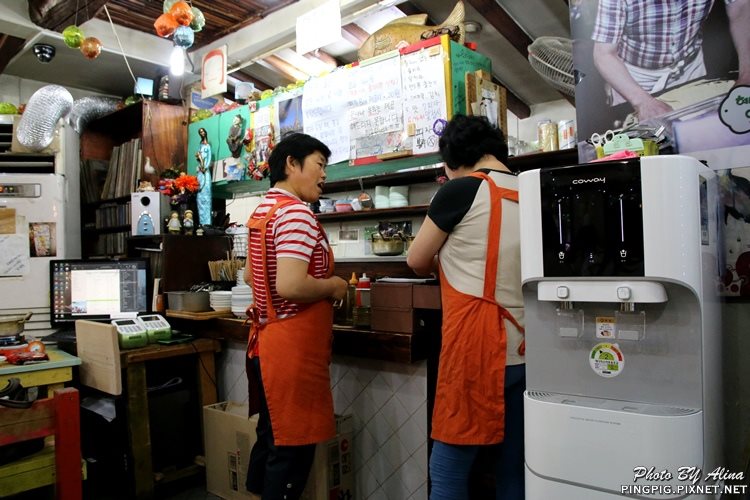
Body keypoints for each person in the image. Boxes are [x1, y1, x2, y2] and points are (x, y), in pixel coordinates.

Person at [407, 114, 525, 500]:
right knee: (516, 466)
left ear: (453, 159)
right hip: (527, 345)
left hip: (477, 346)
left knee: (449, 466)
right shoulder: (531, 191)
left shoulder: (460, 191)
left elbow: (416, 260)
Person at [243, 132, 348, 500]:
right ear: (292, 164)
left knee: (272, 439)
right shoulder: (296, 213)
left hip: (265, 344)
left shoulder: (262, 210)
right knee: (291, 449)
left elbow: (248, 276)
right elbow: (290, 285)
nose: (324, 175)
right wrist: (334, 286)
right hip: (291, 351)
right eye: (319, 165)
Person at [592, 0, 750, 120]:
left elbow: (740, 7)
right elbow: (604, 54)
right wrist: (643, 102)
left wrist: (746, 74)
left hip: (691, 67)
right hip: (635, 77)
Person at [196, 127, 213, 226]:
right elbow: (199, 157)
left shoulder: (208, 146)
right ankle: (202, 222)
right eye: (200, 132)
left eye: (202, 131)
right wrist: (199, 161)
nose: (202, 133)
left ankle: (207, 222)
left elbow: (209, 157)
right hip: (200, 171)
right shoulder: (200, 145)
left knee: (206, 194)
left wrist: (205, 167)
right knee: (200, 195)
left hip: (205, 171)